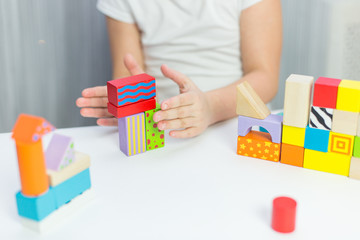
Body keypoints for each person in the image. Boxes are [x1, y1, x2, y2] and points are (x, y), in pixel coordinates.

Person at [76, 0, 282, 138]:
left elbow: (265, 78)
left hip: (236, 124)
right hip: (161, 126)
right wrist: (131, 100)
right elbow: (126, 74)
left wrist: (210, 107)